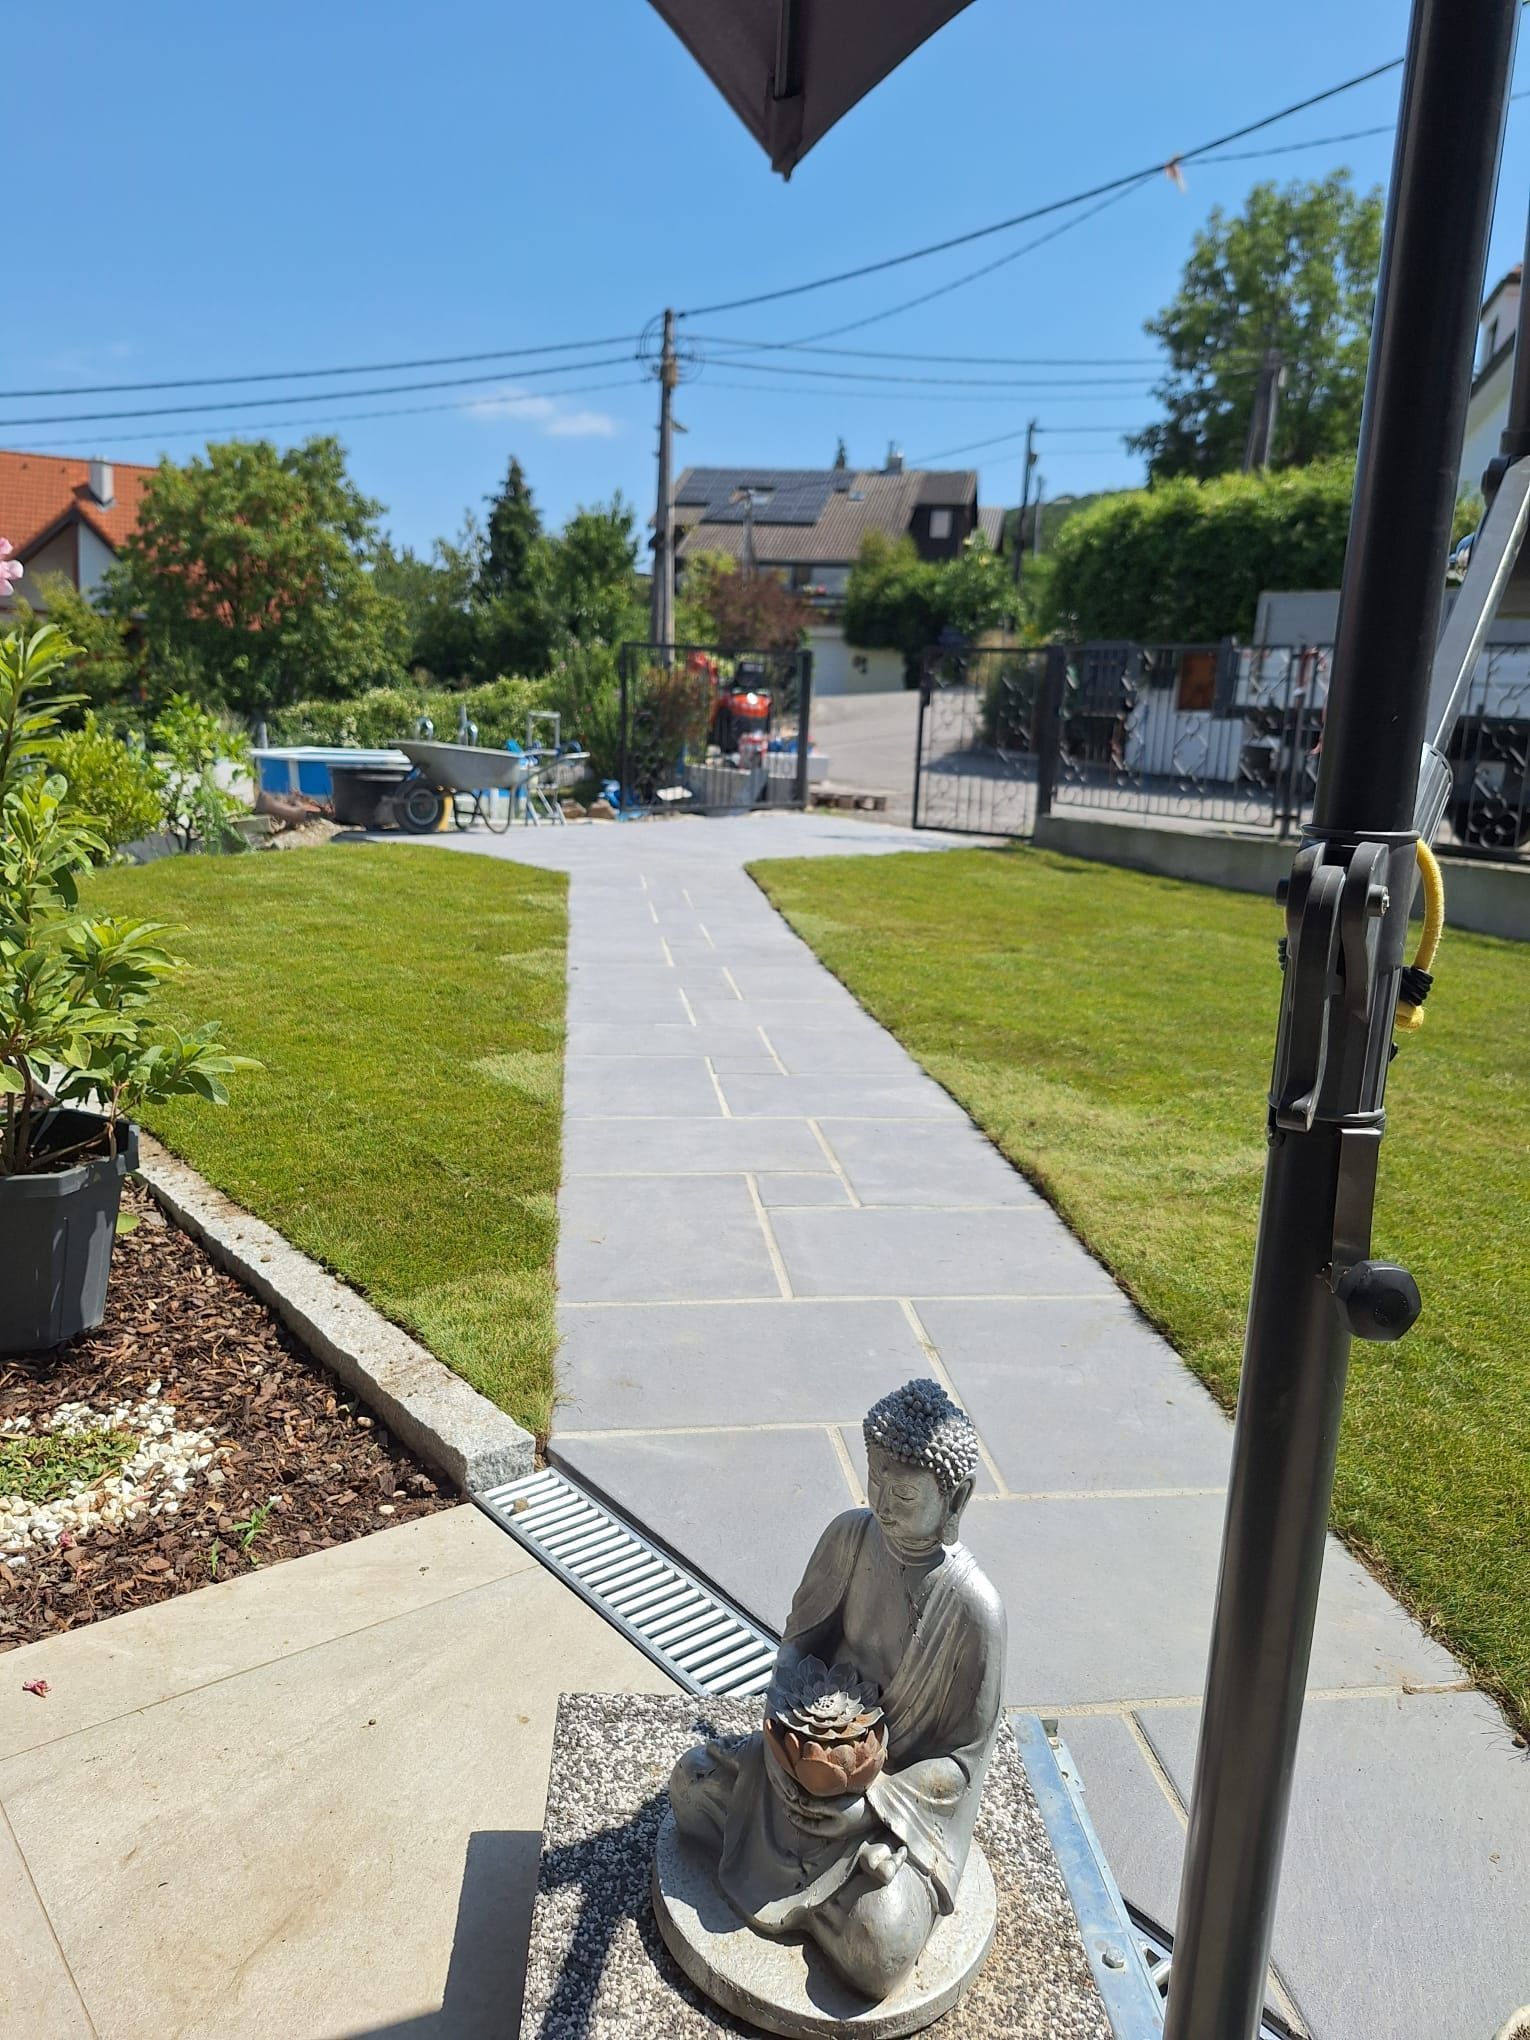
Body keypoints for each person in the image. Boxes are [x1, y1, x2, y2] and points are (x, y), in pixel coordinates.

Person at [668, 1378, 1005, 2003]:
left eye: (905, 1493)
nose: (884, 1503)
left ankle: (841, 1892)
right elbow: (797, 1648)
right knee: (690, 1788)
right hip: (802, 1758)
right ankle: (807, 1884)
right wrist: (781, 1745)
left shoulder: (973, 1609)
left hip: (891, 1807)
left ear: (955, 1496)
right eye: (875, 1478)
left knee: (881, 1952)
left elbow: (962, 1762)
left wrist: (868, 1804)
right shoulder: (850, 1538)